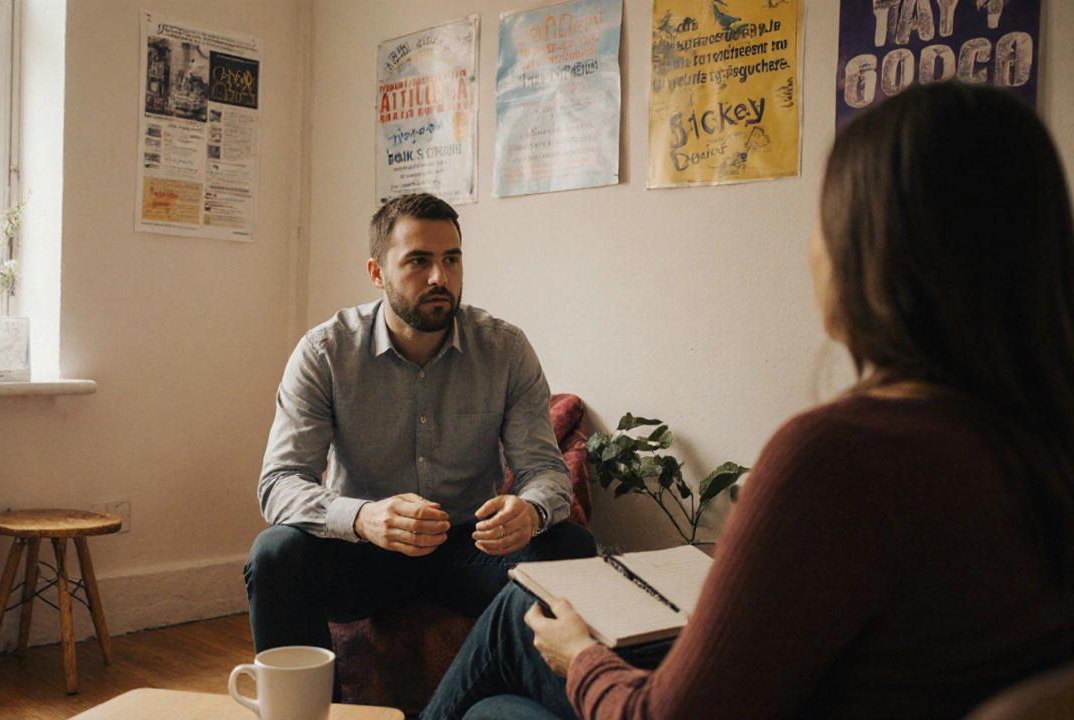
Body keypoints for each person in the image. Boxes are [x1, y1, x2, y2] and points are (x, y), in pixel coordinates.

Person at [421, 81, 1074, 720]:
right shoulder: (1038, 437)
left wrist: (582, 655)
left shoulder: (842, 458)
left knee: (513, 636)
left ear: (872, 252)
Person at [244, 193, 596, 668]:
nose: (440, 278)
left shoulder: (505, 349)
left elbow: (543, 470)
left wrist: (531, 511)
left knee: (571, 546)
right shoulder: (325, 352)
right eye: (419, 261)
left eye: (451, 259)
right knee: (274, 554)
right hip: (361, 550)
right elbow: (280, 482)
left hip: (470, 548)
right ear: (377, 273)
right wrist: (363, 517)